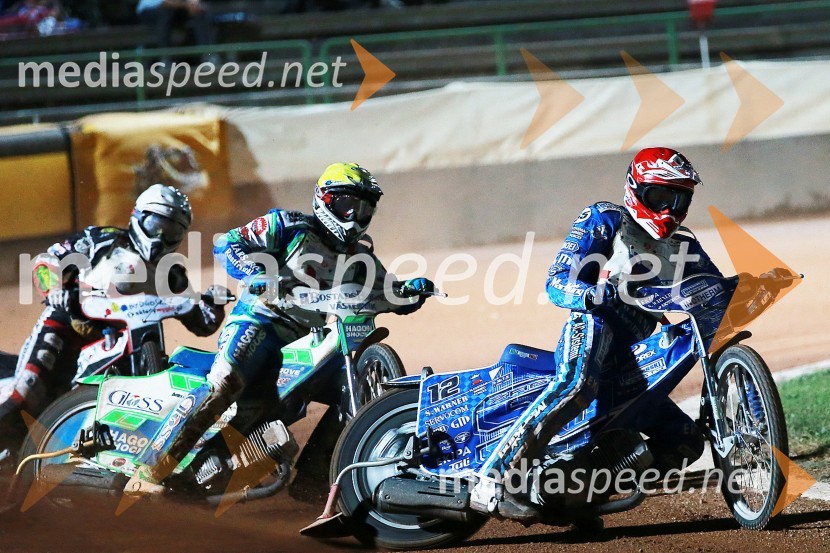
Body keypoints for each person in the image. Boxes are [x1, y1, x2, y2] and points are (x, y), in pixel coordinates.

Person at [125, 162, 434, 494]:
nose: (355, 217)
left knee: (352, 388)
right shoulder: (286, 225)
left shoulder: (361, 259)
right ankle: (149, 472)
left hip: (310, 342)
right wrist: (257, 272)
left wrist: (410, 290)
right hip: (259, 322)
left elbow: (387, 294)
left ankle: (315, 485)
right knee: (224, 383)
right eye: (347, 205)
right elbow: (227, 245)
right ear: (324, 200)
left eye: (364, 209)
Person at [470, 147, 722, 521]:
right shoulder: (605, 218)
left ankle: (578, 490)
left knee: (685, 441)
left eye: (678, 198)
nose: (668, 209)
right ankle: (492, 480)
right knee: (577, 384)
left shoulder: (684, 245)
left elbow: (715, 295)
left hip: (637, 356)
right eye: (659, 196)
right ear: (635, 189)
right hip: (593, 325)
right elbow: (556, 283)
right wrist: (591, 294)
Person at [0, 184, 225, 444]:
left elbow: (202, 324)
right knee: (27, 389)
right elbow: (48, 259)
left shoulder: (172, 273)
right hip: (67, 328)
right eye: (156, 226)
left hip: (123, 343)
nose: (161, 238)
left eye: (172, 231)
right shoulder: (102, 238)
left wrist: (214, 304)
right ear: (136, 216)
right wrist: (54, 288)